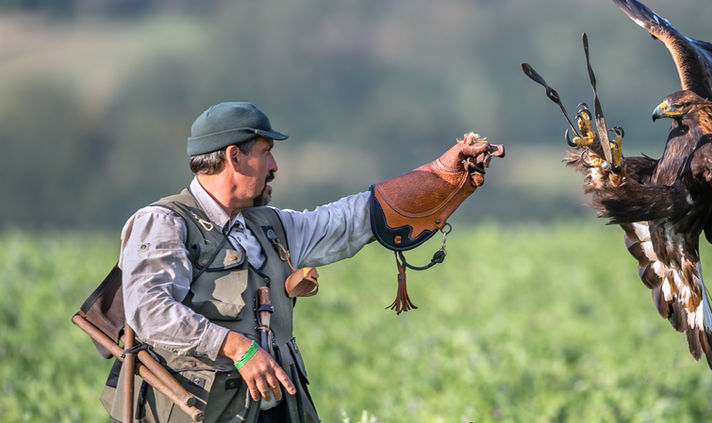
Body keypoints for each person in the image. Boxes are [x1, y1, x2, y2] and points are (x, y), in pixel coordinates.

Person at [99, 102, 501, 422]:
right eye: (266, 154)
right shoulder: (163, 222)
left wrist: (439, 176)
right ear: (234, 157)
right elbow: (150, 311)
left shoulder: (268, 224)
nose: (274, 167)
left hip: (273, 410)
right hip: (195, 412)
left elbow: (349, 220)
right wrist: (236, 346)